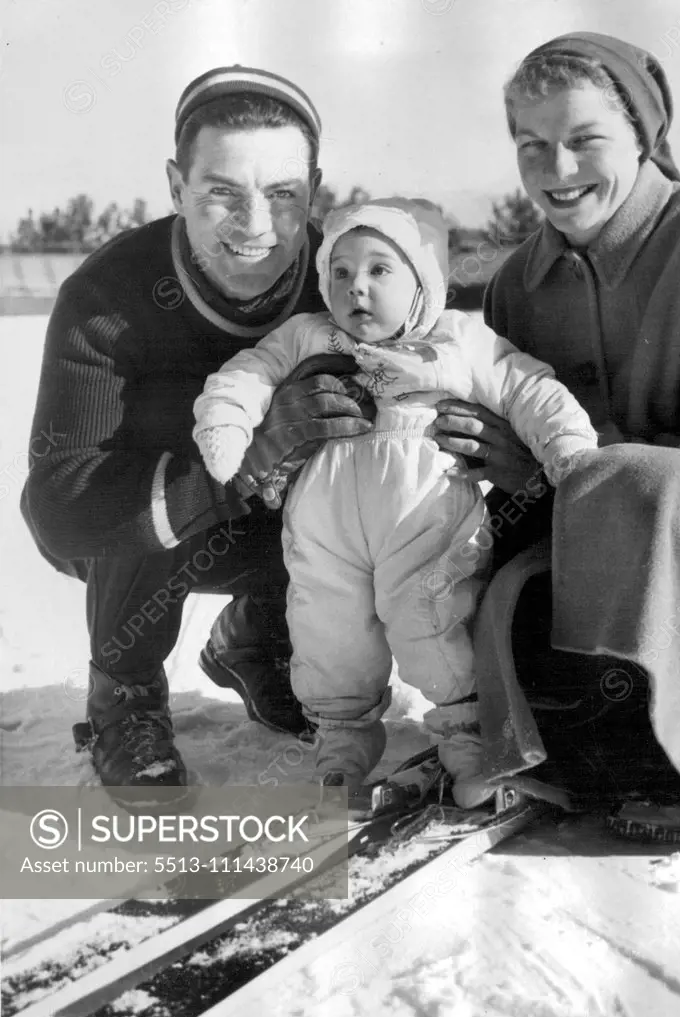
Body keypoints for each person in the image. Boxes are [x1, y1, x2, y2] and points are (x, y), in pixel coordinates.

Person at [431, 32, 680, 840]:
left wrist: (549, 466)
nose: (556, 170)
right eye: (531, 146)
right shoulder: (515, 282)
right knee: (477, 580)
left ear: (641, 136)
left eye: (583, 140)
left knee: (650, 487)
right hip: (589, 535)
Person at [20, 66, 376, 793]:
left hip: (287, 533)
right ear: (176, 185)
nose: (255, 227)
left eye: (283, 195)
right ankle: (124, 691)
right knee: (151, 444)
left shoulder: (354, 280)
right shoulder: (109, 294)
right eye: (221, 193)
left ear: (314, 186)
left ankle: (262, 640)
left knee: (359, 444)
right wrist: (236, 467)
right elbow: (58, 508)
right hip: (152, 541)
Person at [192, 197, 598, 807]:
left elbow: (528, 387)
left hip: (425, 521)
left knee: (436, 626)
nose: (357, 287)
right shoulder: (307, 336)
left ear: (422, 283)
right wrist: (225, 426)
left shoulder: (455, 340)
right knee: (329, 637)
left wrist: (570, 454)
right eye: (341, 271)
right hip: (324, 528)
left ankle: (468, 748)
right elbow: (246, 374)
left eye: (380, 270)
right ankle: (342, 752)